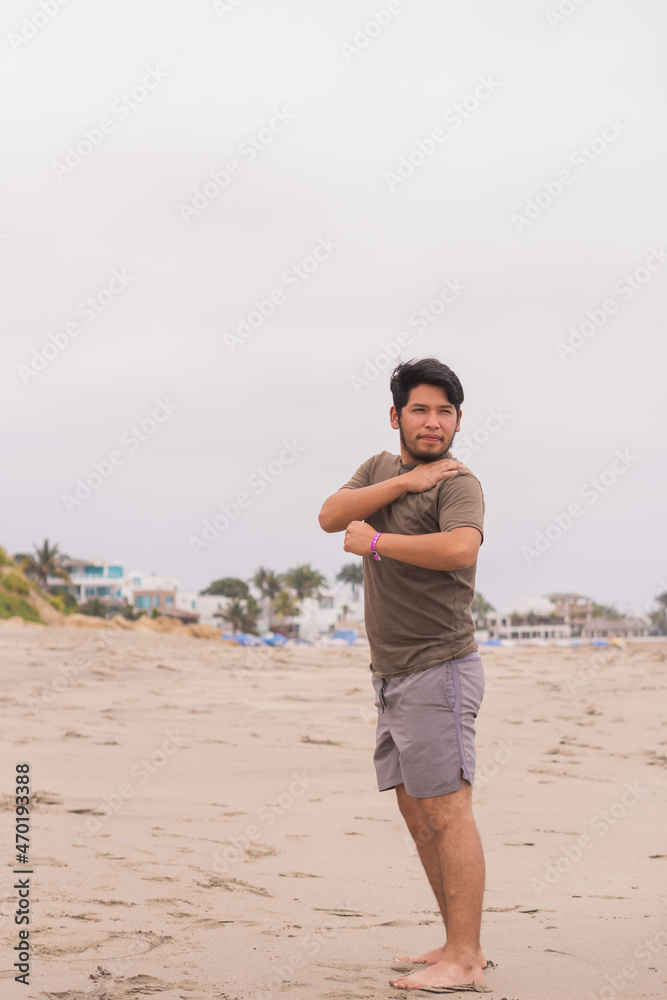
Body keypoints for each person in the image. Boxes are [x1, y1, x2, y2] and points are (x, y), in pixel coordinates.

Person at [318, 357, 490, 993]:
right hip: (391, 677)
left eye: (445, 411)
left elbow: (458, 550)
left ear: (458, 420)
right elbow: (331, 516)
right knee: (419, 819)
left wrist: (378, 543)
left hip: (439, 669)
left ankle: (467, 959)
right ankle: (453, 939)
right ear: (396, 416)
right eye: (420, 409)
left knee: (449, 813)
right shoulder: (380, 470)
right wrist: (398, 489)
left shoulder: (459, 482)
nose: (433, 422)